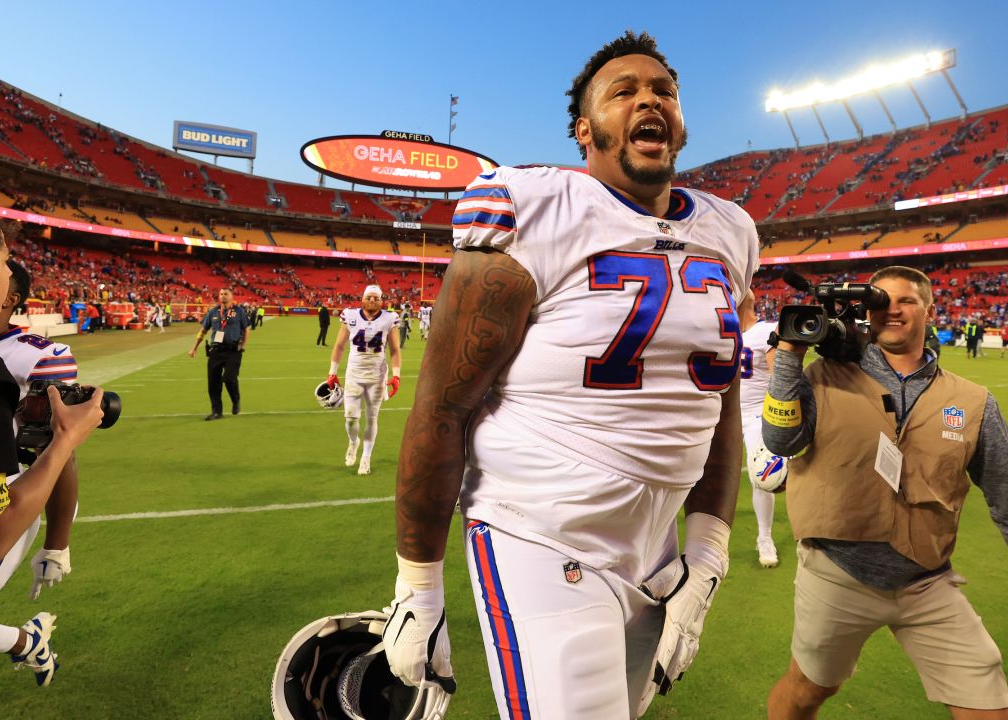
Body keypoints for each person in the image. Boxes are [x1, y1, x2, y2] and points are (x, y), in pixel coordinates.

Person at [381, 31, 757, 719]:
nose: (650, 100)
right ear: (585, 129)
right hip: (540, 529)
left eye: (663, 91)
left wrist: (706, 557)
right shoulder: (533, 207)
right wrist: (418, 588)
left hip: (658, 545)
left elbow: (721, 406)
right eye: (625, 92)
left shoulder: (731, 232)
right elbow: (440, 408)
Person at [762, 265, 1008, 719]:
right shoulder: (824, 376)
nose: (892, 310)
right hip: (836, 574)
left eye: (906, 301)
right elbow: (782, 442)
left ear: (930, 310)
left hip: (927, 581)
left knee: (990, 704)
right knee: (806, 691)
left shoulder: (973, 401)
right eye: (881, 301)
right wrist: (787, 357)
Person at [0, 209, 103, 712]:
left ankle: (26, 643)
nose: (9, 270)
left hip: (0, 505)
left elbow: (54, 448)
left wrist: (57, 544)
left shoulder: (32, 355)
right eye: (6, 260)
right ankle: (27, 642)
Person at [326, 285, 402, 475]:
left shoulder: (389, 318)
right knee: (351, 419)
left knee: (372, 417)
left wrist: (396, 375)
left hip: (377, 374)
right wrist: (332, 372)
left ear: (381, 301)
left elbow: (394, 350)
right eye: (369, 297)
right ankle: (353, 442)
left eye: (376, 298)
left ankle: (366, 458)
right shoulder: (350, 316)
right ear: (362, 299)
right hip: (354, 373)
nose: (372, 300)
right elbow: (339, 345)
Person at [736, 290, 782, 568]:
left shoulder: (766, 331)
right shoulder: (722, 333)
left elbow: (780, 378)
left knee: (762, 473)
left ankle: (764, 537)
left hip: (757, 415)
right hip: (722, 415)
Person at [187, 287, 251, 420]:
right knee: (213, 382)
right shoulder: (213, 312)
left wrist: (243, 346)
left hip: (233, 350)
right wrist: (194, 348)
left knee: (229, 378)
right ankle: (217, 411)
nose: (223, 296)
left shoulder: (239, 311)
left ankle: (235, 400)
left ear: (232, 296)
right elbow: (203, 330)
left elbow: (246, 329)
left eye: (226, 294)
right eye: (221, 294)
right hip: (216, 350)